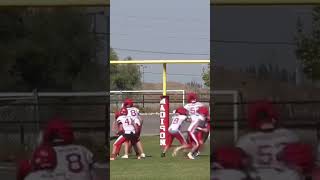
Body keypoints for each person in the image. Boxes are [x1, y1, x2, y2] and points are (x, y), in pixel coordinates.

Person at [236, 100, 302, 180]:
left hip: (260, 175)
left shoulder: (245, 140)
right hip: (286, 176)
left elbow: (239, 163)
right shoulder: (289, 135)